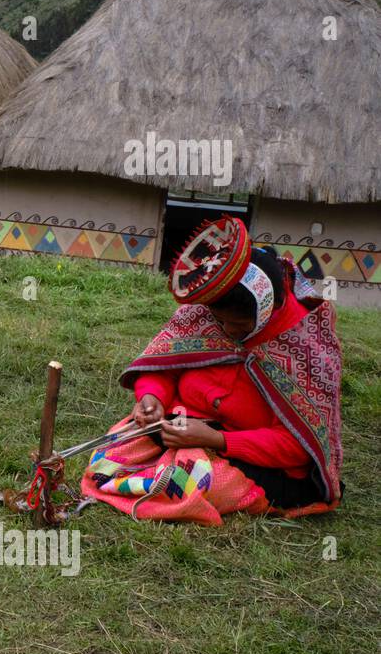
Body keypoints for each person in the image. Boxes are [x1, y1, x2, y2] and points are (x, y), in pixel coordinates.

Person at [81, 216, 343, 525]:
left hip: (256, 462)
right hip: (184, 427)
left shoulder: (306, 349)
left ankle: (173, 477)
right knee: (106, 461)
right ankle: (161, 471)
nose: (227, 331)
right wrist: (152, 398)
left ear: (266, 310)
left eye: (239, 325)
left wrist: (218, 441)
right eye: (220, 321)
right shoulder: (206, 309)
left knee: (188, 484)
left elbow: (297, 447)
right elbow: (166, 364)